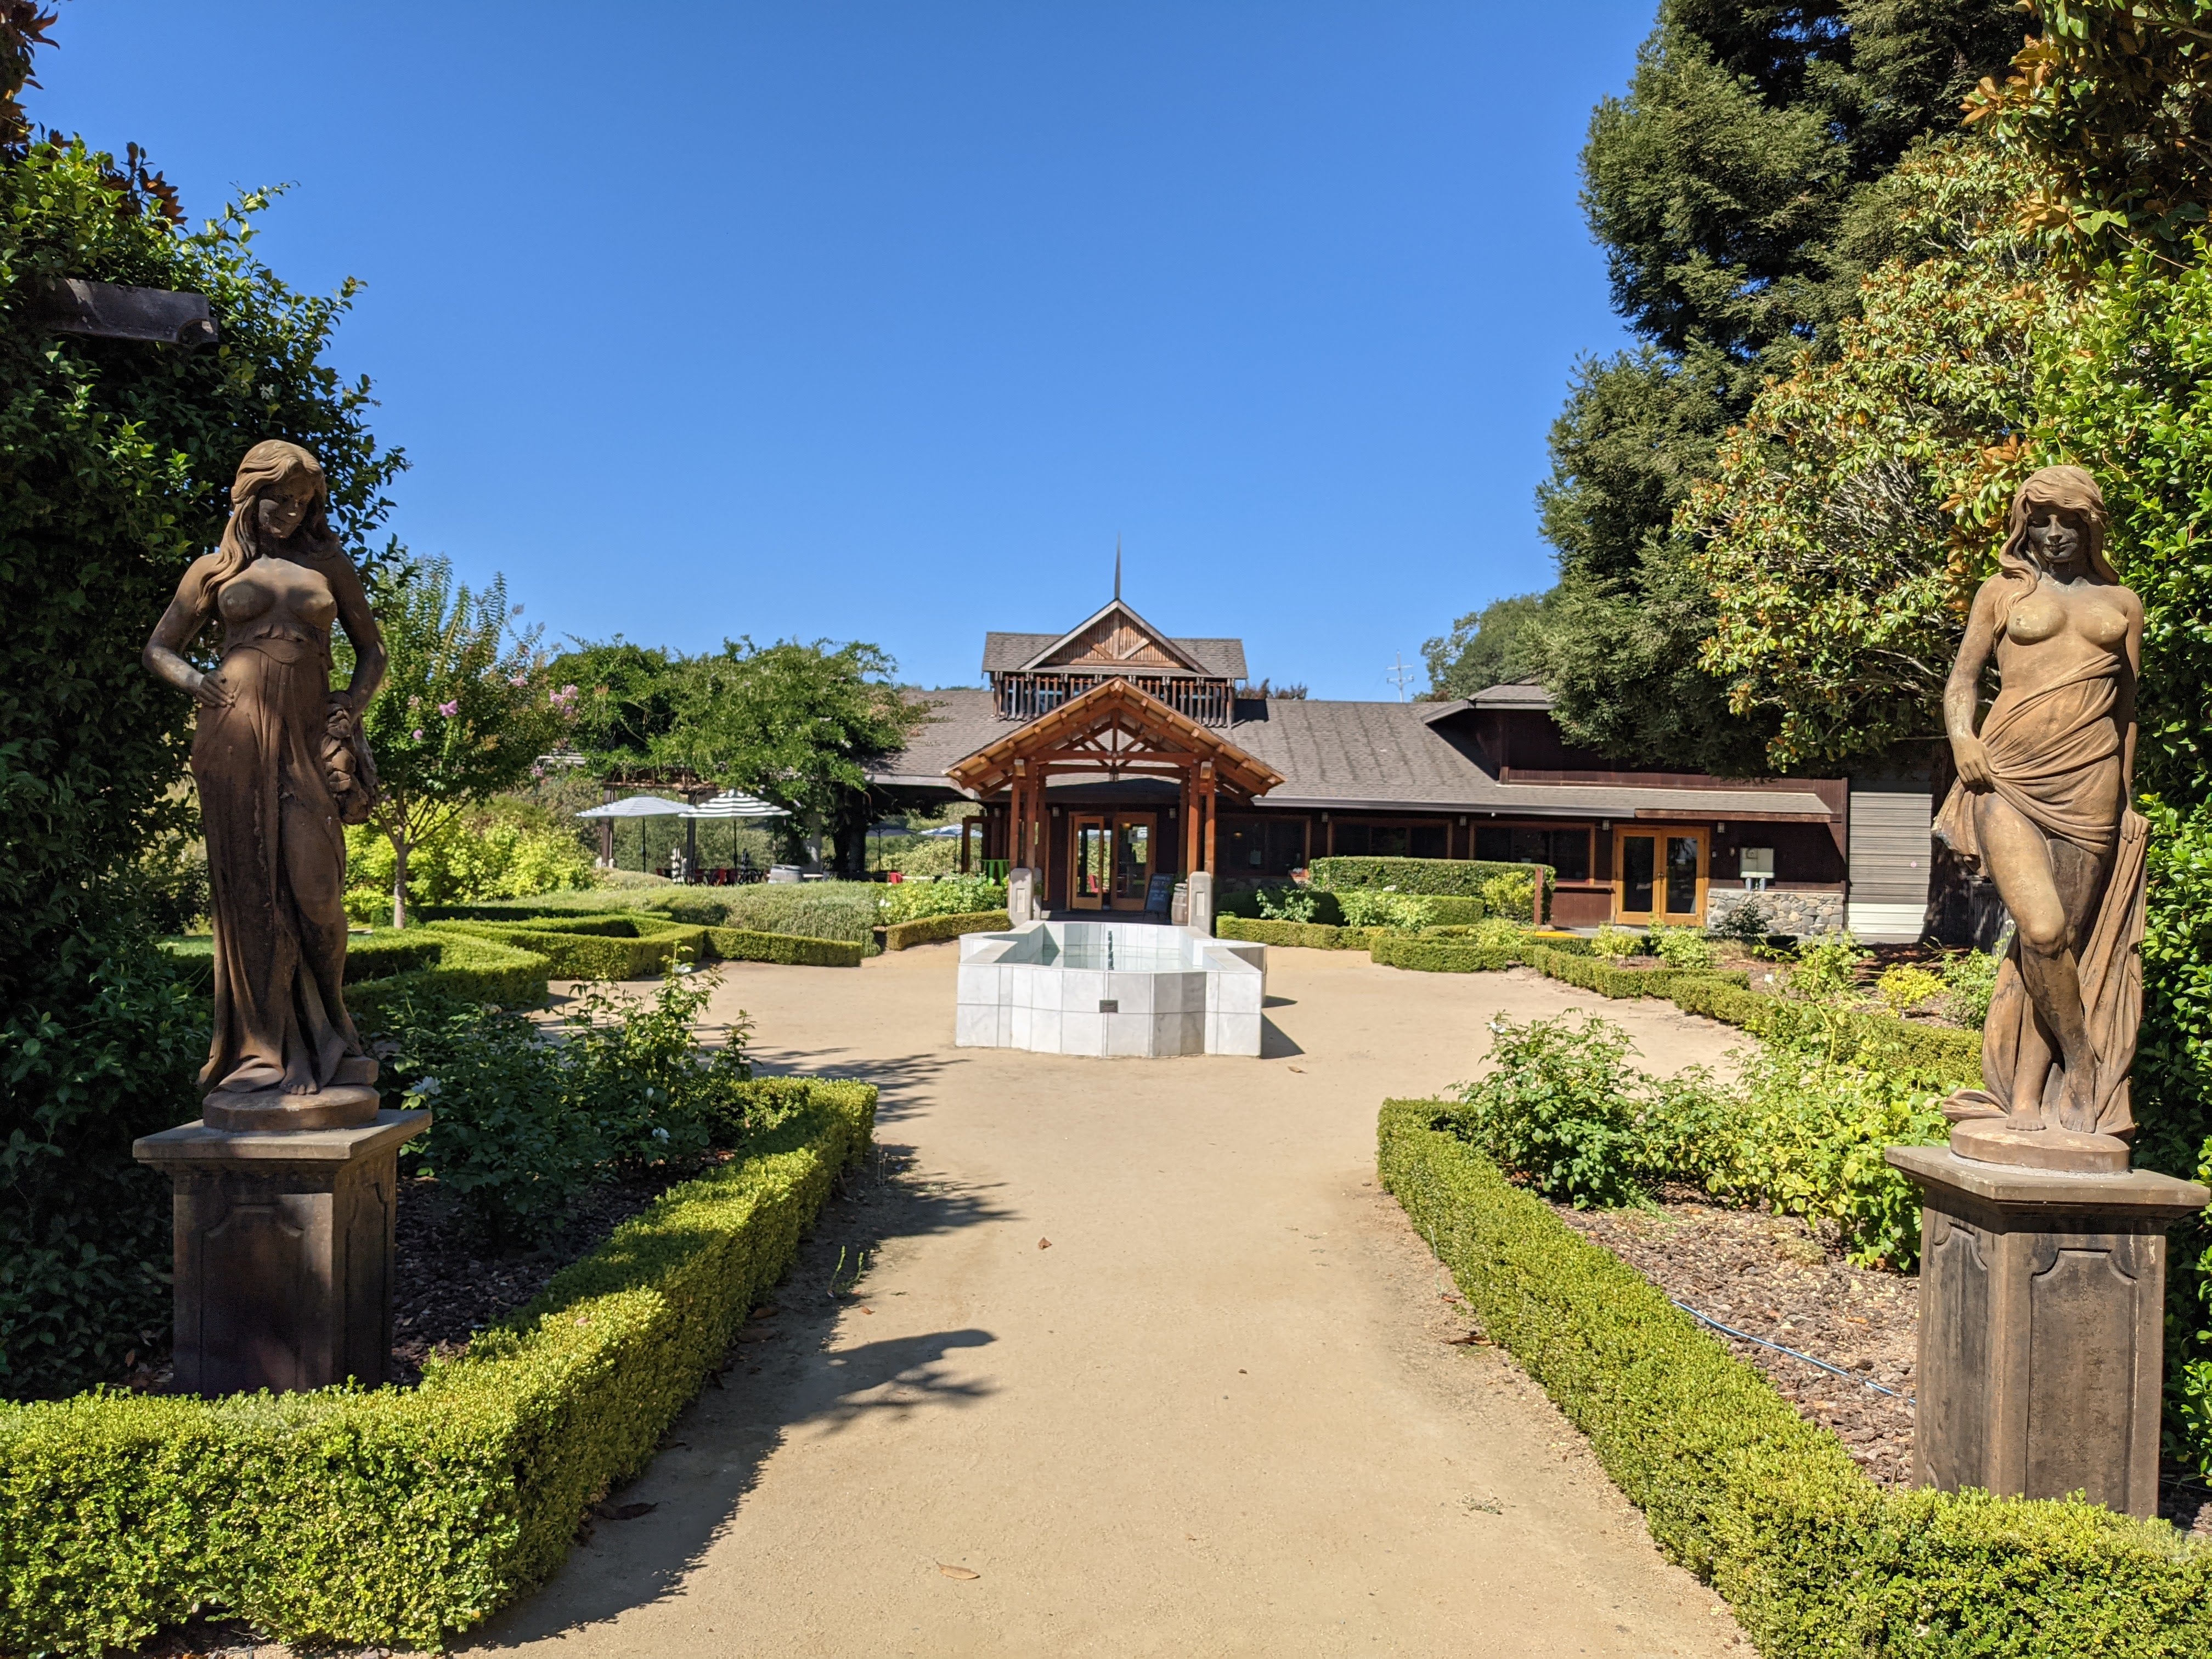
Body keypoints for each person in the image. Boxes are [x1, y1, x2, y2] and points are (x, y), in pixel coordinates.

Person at [143, 440, 386, 1113]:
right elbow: (161, 647)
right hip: (234, 738)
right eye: (280, 499)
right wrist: (199, 683)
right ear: (250, 495)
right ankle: (261, 1050)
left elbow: (373, 650)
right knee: (249, 889)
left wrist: (352, 707)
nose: (290, 512)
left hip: (307, 739)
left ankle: (332, 1026)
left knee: (316, 892)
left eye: (303, 502)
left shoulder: (328, 563)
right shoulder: (214, 569)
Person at [1936, 465, 2146, 1139]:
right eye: (2041, 520)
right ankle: (2083, 1061)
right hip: (2006, 780)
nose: (2053, 534)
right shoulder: (2000, 593)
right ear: (2024, 524)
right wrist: (1962, 739)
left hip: (2091, 789)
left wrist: (2130, 803)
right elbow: (1962, 681)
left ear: (2090, 525)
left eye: (2069, 522)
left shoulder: (2123, 603)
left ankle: (2028, 1099)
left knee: (2064, 947)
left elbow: (2129, 714)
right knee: (2043, 931)